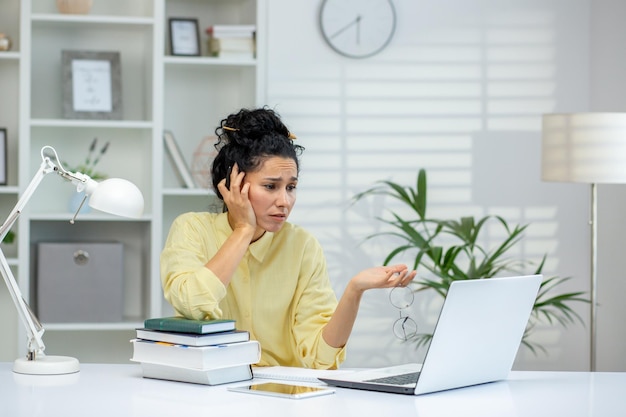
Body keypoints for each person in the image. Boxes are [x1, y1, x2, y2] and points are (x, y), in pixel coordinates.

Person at [160, 107, 416, 369]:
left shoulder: (302, 246)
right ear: (234, 184)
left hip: (281, 398)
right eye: (270, 186)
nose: (285, 201)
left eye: (291, 187)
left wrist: (354, 290)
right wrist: (243, 231)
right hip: (214, 396)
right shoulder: (191, 229)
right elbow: (192, 304)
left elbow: (319, 358)